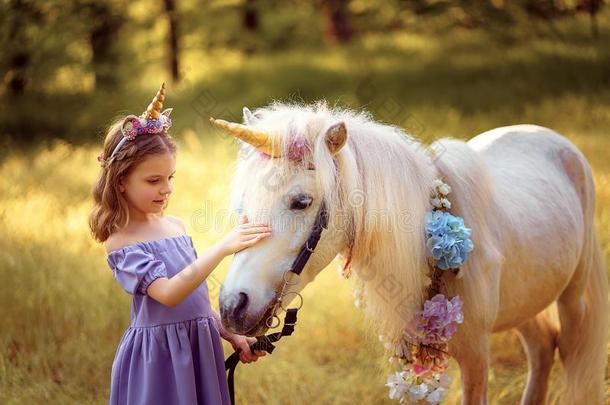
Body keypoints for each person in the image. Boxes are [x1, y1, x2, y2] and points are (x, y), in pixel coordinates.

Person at [88, 83, 270, 404]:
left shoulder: (175, 226)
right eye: (153, 181)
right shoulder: (122, 241)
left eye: (170, 177)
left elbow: (195, 301)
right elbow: (170, 293)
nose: (166, 189)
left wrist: (231, 335)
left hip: (199, 349)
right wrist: (223, 246)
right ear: (120, 182)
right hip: (161, 360)